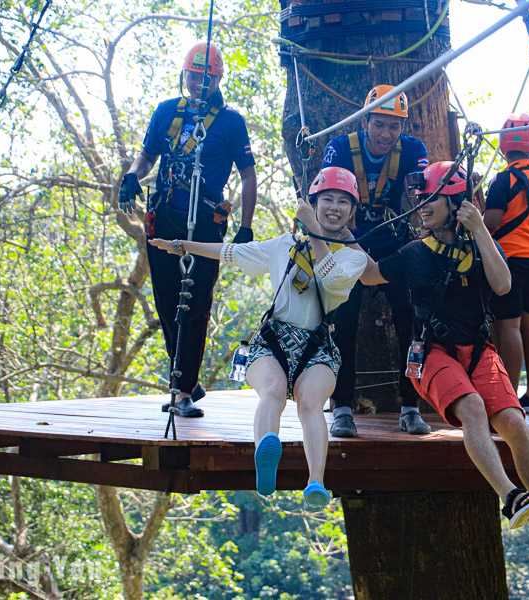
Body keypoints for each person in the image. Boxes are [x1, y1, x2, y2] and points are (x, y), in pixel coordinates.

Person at [359, 161, 529, 553]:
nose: (422, 205)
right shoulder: (415, 253)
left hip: (477, 350)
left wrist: (479, 230)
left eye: (431, 198)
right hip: (431, 353)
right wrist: (342, 237)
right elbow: (371, 275)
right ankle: (510, 497)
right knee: (474, 408)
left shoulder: (477, 247)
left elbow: (503, 284)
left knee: (514, 420)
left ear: (456, 203)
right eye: (420, 198)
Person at [149, 167, 367, 507]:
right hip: (274, 339)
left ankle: (316, 482)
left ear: (352, 211)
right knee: (272, 393)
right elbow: (231, 253)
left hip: (317, 345)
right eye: (327, 200)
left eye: (342, 202)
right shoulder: (284, 246)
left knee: (311, 404)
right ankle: (266, 450)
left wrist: (313, 231)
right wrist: (182, 246)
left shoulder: (354, 258)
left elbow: (330, 281)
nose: (334, 207)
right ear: (314, 202)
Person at [119, 41, 257, 417]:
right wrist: (132, 176)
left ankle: (180, 390)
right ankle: (186, 377)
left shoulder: (230, 122)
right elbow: (147, 153)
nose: (200, 84)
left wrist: (245, 227)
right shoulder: (166, 112)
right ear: (185, 76)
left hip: (205, 224)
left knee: (194, 303)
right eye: (195, 77)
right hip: (163, 216)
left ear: (218, 79)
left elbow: (248, 174)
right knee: (166, 301)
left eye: (208, 78)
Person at [321, 84, 431, 437]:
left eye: (394, 126)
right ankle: (341, 407)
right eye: (380, 124)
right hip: (350, 242)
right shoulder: (339, 148)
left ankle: (411, 404)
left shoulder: (412, 150)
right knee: (344, 321)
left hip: (393, 242)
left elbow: (424, 190)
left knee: (411, 322)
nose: (386, 133)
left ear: (402, 128)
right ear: (365, 121)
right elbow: (326, 197)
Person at [484, 113, 529, 414]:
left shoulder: (504, 180)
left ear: (504, 146)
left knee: (507, 326)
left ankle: (507, 398)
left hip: (509, 259)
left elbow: (493, 223)